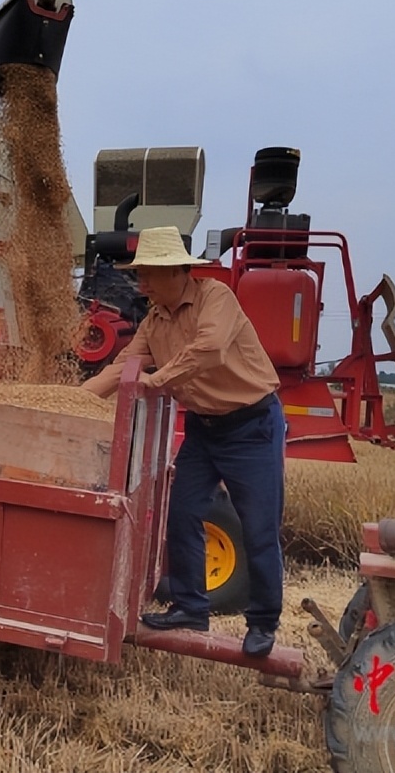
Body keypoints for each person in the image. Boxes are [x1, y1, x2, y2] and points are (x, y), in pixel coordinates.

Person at [81, 225, 285, 657]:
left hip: (251, 427)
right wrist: (72, 401)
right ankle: (191, 607)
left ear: (177, 271)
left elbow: (209, 349)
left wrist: (157, 381)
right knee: (181, 513)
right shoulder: (154, 320)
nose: (142, 285)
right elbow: (124, 366)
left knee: (258, 528)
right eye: (140, 275)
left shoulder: (216, 298)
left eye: (148, 275)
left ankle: (263, 622)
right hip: (204, 430)